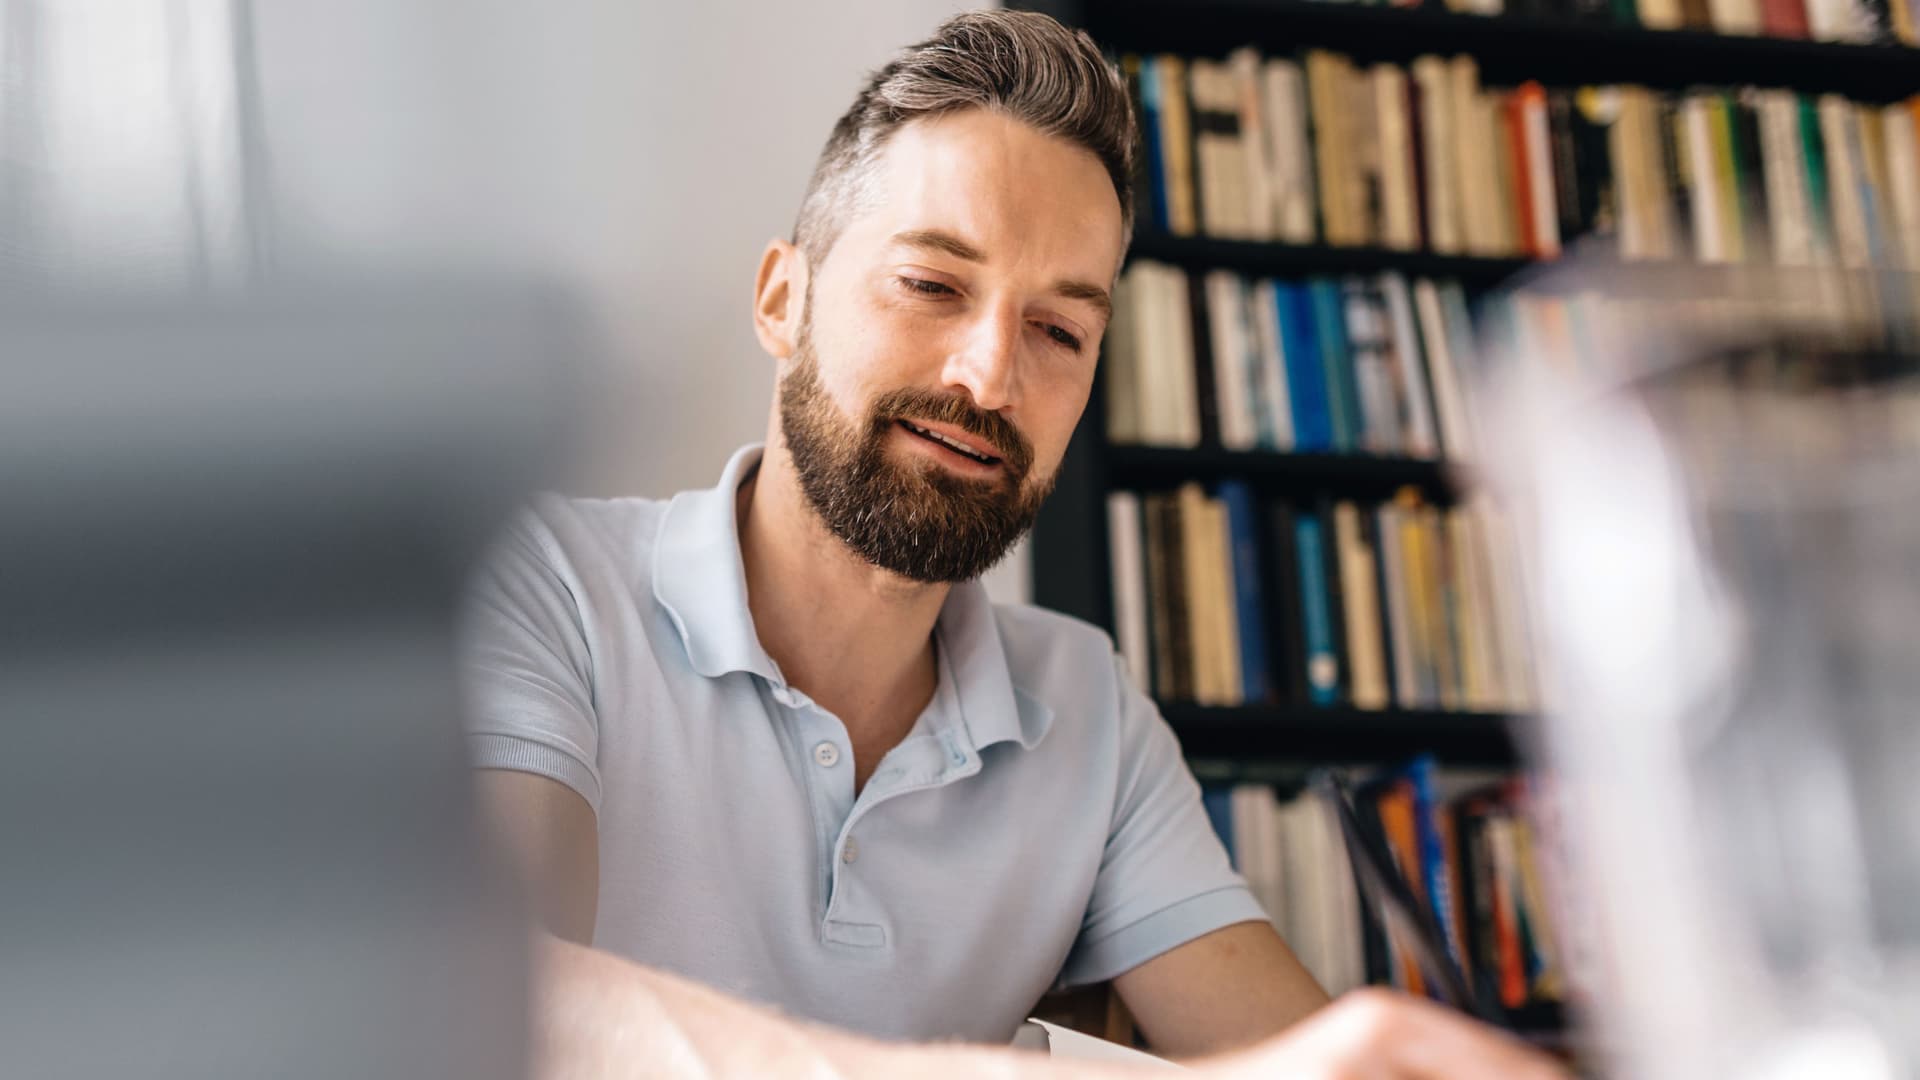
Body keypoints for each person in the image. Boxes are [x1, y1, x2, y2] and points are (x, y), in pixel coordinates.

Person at [460, 10, 1566, 1078]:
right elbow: (492, 1003)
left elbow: (1283, 1058)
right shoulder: (541, 584)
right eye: (932, 284)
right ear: (782, 300)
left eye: (1059, 330)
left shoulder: (1087, 708)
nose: (991, 376)